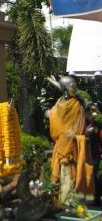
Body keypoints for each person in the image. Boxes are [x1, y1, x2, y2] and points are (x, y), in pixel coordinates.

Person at [46, 76, 94, 205]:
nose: (76, 88)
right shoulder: (59, 103)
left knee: (75, 173)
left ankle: (75, 202)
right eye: (73, 86)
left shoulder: (78, 103)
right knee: (64, 174)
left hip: (75, 145)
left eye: (75, 85)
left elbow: (88, 116)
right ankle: (66, 202)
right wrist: (49, 114)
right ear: (66, 89)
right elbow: (55, 118)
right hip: (62, 146)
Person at [85, 104, 102, 206]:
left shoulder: (98, 125)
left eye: (91, 113)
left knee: (93, 176)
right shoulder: (83, 124)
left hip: (95, 155)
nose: (90, 115)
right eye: (88, 113)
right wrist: (86, 132)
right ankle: (86, 198)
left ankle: (96, 198)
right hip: (84, 155)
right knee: (86, 176)